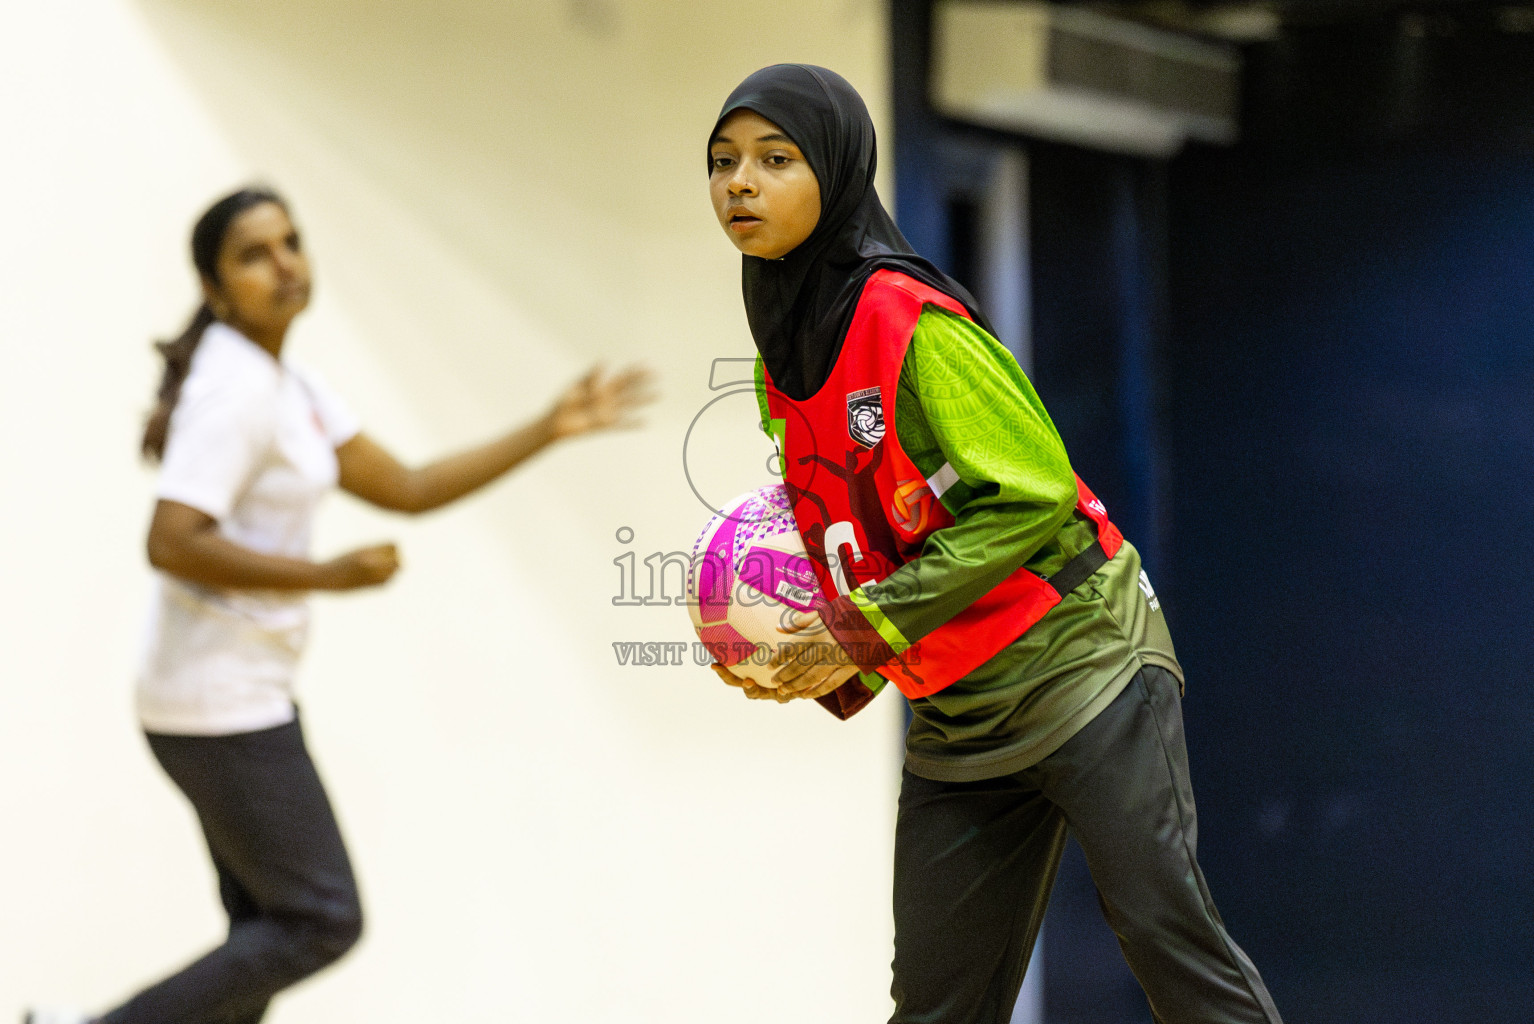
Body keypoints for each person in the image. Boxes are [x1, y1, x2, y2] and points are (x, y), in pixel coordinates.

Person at [705, 65, 1285, 1024]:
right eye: (723, 162)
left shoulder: (905, 314)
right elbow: (865, 539)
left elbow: (1031, 494)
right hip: (958, 710)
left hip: (1081, 663)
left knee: (1167, 943)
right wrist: (806, 660)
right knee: (937, 1003)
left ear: (841, 171)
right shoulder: (782, 357)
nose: (739, 183)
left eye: (776, 159)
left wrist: (857, 632)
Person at [25, 186, 652, 1024]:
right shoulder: (236, 389)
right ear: (214, 290)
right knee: (320, 918)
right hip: (218, 701)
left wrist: (550, 425)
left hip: (223, 693)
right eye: (254, 255)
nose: (285, 263)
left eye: (291, 241)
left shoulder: (290, 386)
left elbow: (410, 485)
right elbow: (170, 540)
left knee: (263, 933)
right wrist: (330, 576)